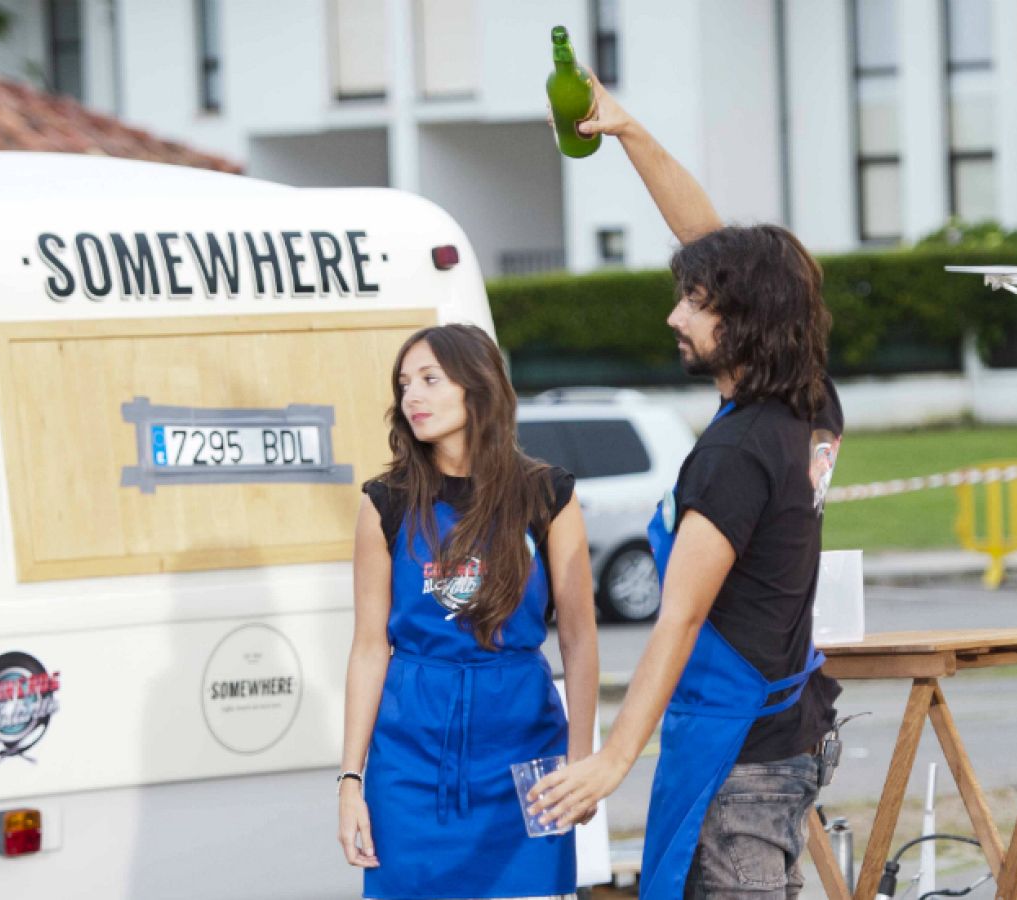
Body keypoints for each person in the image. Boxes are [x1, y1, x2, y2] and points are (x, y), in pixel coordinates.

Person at [529, 76, 844, 899]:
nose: (675, 317)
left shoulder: (736, 453)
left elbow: (681, 614)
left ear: (744, 321)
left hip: (738, 758)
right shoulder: (806, 401)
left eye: (695, 303)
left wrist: (612, 758)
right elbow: (709, 235)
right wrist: (629, 131)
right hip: (789, 736)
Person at [337, 323, 600, 899]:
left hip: (523, 753)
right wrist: (351, 781)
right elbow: (368, 647)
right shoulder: (384, 503)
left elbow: (579, 641)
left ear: (477, 387)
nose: (413, 397)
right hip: (408, 761)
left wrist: (582, 763)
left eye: (431, 379)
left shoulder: (547, 493)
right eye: (404, 383)